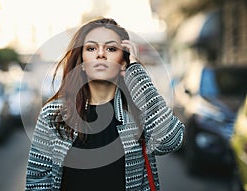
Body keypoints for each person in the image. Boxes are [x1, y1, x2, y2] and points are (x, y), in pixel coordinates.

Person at [25, 17, 184, 191]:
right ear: (82, 62)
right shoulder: (53, 114)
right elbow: (37, 182)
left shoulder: (138, 111)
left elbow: (171, 141)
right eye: (91, 48)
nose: (101, 54)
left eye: (111, 48)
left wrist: (137, 74)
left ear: (123, 61)